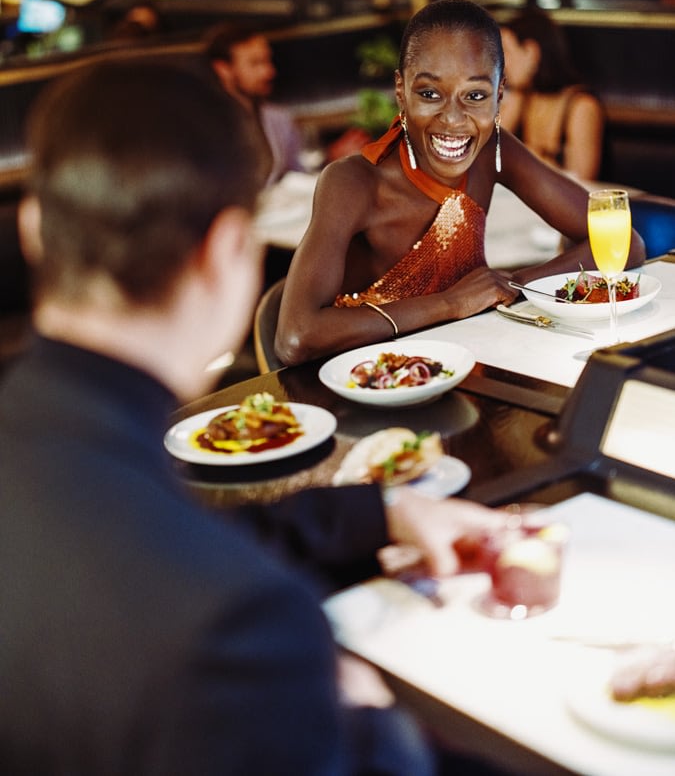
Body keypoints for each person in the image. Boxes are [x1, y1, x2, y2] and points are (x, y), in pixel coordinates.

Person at [0, 55, 509, 774]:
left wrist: (380, 515)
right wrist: (367, 713)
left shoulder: (48, 440)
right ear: (228, 253)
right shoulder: (241, 624)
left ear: (32, 229)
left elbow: (143, 533)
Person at [275, 0, 645, 366]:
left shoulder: (493, 150)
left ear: (499, 97)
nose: (453, 119)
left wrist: (511, 284)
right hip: (370, 385)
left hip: (472, 365)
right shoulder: (353, 181)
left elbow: (625, 244)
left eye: (475, 95)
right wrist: (452, 302)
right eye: (430, 94)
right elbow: (296, 337)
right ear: (401, 91)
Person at [499, 9, 606, 181]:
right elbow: (490, 152)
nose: (501, 64)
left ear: (531, 52)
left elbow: (582, 182)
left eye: (506, 52)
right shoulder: (522, 98)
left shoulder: (581, 106)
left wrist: (527, 157)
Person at [204, 22, 305, 184]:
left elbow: (300, 176)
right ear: (223, 69)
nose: (268, 72)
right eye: (255, 63)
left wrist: (330, 160)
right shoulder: (205, 127)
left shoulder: (280, 119)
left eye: (267, 61)